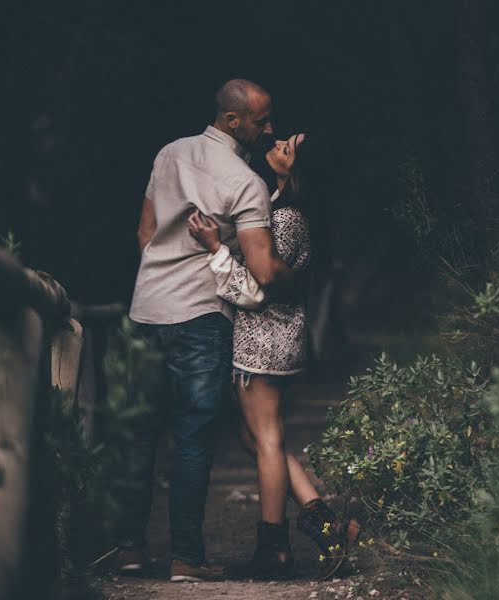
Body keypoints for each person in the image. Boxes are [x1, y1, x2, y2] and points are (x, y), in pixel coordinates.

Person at [117, 79, 295, 583]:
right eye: (262, 121)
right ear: (232, 120)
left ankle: (128, 550)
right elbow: (262, 270)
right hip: (200, 315)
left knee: (140, 435)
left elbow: (145, 233)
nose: (270, 129)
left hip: (147, 306)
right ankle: (186, 558)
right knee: (193, 439)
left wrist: (162, 272)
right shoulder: (245, 182)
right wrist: (298, 275)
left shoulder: (168, 154)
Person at [188, 133, 360, 580]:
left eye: (292, 144)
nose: (280, 141)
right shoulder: (293, 210)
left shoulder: (285, 216)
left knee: (265, 438)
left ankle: (275, 549)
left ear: (299, 166)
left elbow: (255, 290)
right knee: (257, 440)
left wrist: (215, 251)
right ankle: (327, 524)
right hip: (279, 337)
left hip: (264, 339)